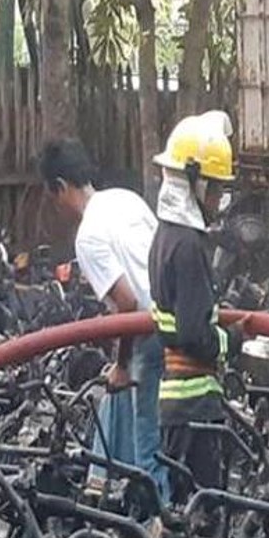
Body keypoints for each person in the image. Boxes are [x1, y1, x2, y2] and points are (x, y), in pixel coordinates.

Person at [38, 138, 169, 503]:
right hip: (174, 318)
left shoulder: (88, 236)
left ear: (60, 187)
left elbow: (127, 303)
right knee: (119, 403)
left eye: (53, 197)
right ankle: (104, 488)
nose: (56, 207)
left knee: (148, 449)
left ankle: (162, 522)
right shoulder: (127, 200)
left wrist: (123, 364)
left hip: (147, 332)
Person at [148, 112, 245, 501]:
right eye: (216, 189)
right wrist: (232, 339)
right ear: (194, 182)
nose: (219, 200)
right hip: (195, 408)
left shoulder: (164, 236)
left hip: (176, 406)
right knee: (205, 509)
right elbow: (193, 334)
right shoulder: (188, 246)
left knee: (183, 506)